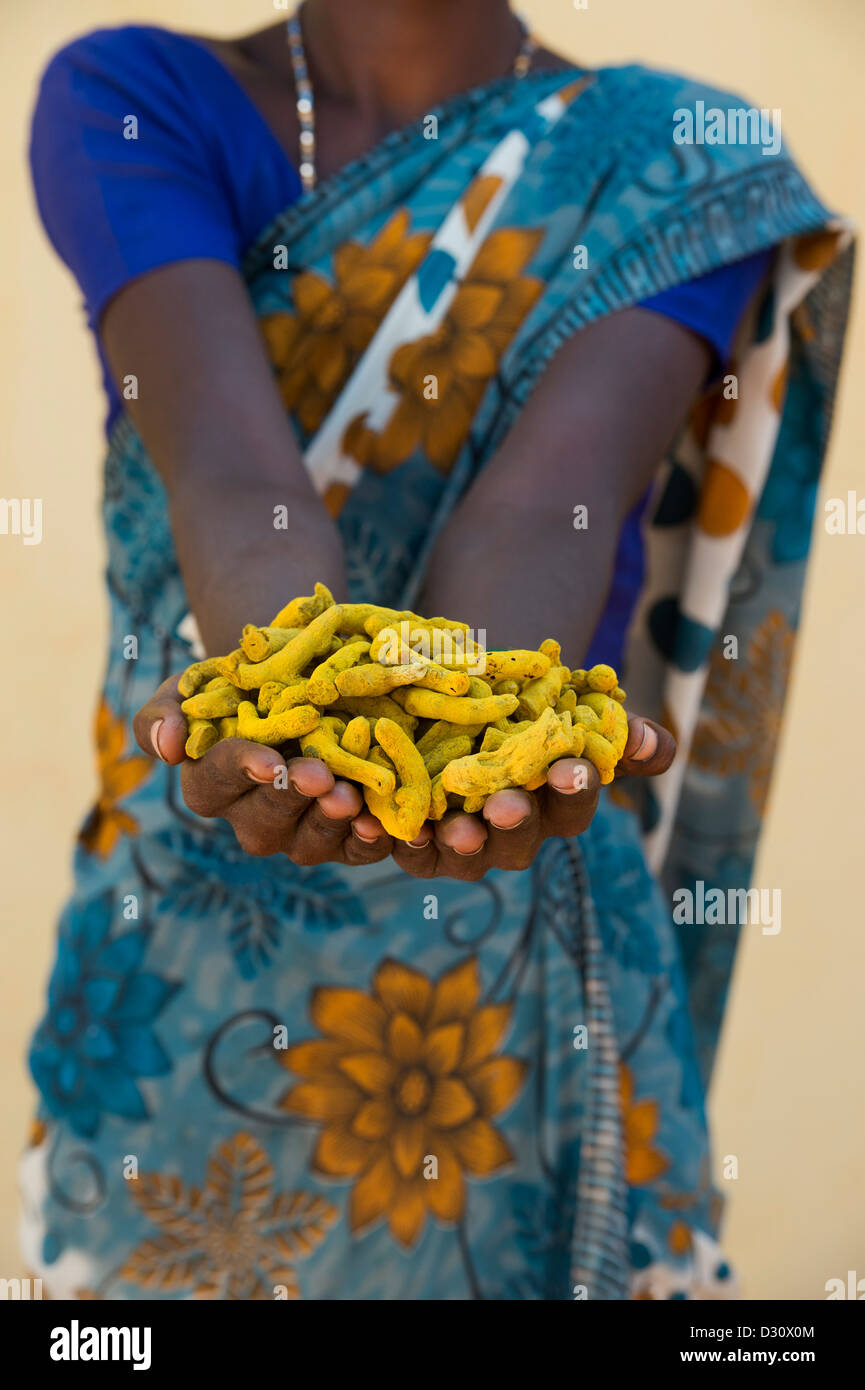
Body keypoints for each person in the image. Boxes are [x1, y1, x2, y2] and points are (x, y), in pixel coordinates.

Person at [21, 0, 851, 1300]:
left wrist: (459, 751)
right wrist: (289, 723)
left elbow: (541, 511)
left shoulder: (672, 158)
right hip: (179, 955)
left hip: (514, 980)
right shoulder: (131, 97)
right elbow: (235, 480)